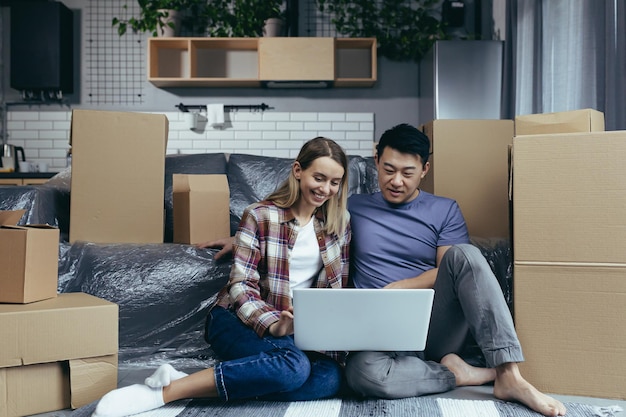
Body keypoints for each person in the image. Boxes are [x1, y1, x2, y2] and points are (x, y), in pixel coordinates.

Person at [201, 124, 567, 417]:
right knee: (358, 377)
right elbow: (293, 220)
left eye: (408, 173)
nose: (396, 181)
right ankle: (455, 373)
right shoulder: (348, 207)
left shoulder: (445, 209)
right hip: (374, 331)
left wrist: (400, 287)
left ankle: (508, 375)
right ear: (375, 161)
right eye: (388, 169)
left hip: (433, 321)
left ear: (425, 169)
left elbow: (449, 268)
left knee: (467, 255)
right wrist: (243, 238)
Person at [92, 137, 351, 417]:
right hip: (237, 318)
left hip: (296, 330)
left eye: (335, 182)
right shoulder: (260, 215)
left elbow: (335, 289)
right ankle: (164, 392)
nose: (326, 189)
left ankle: (194, 379)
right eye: (319, 178)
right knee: (293, 368)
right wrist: (274, 324)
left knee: (328, 379)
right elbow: (241, 286)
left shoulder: (339, 224)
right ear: (298, 171)